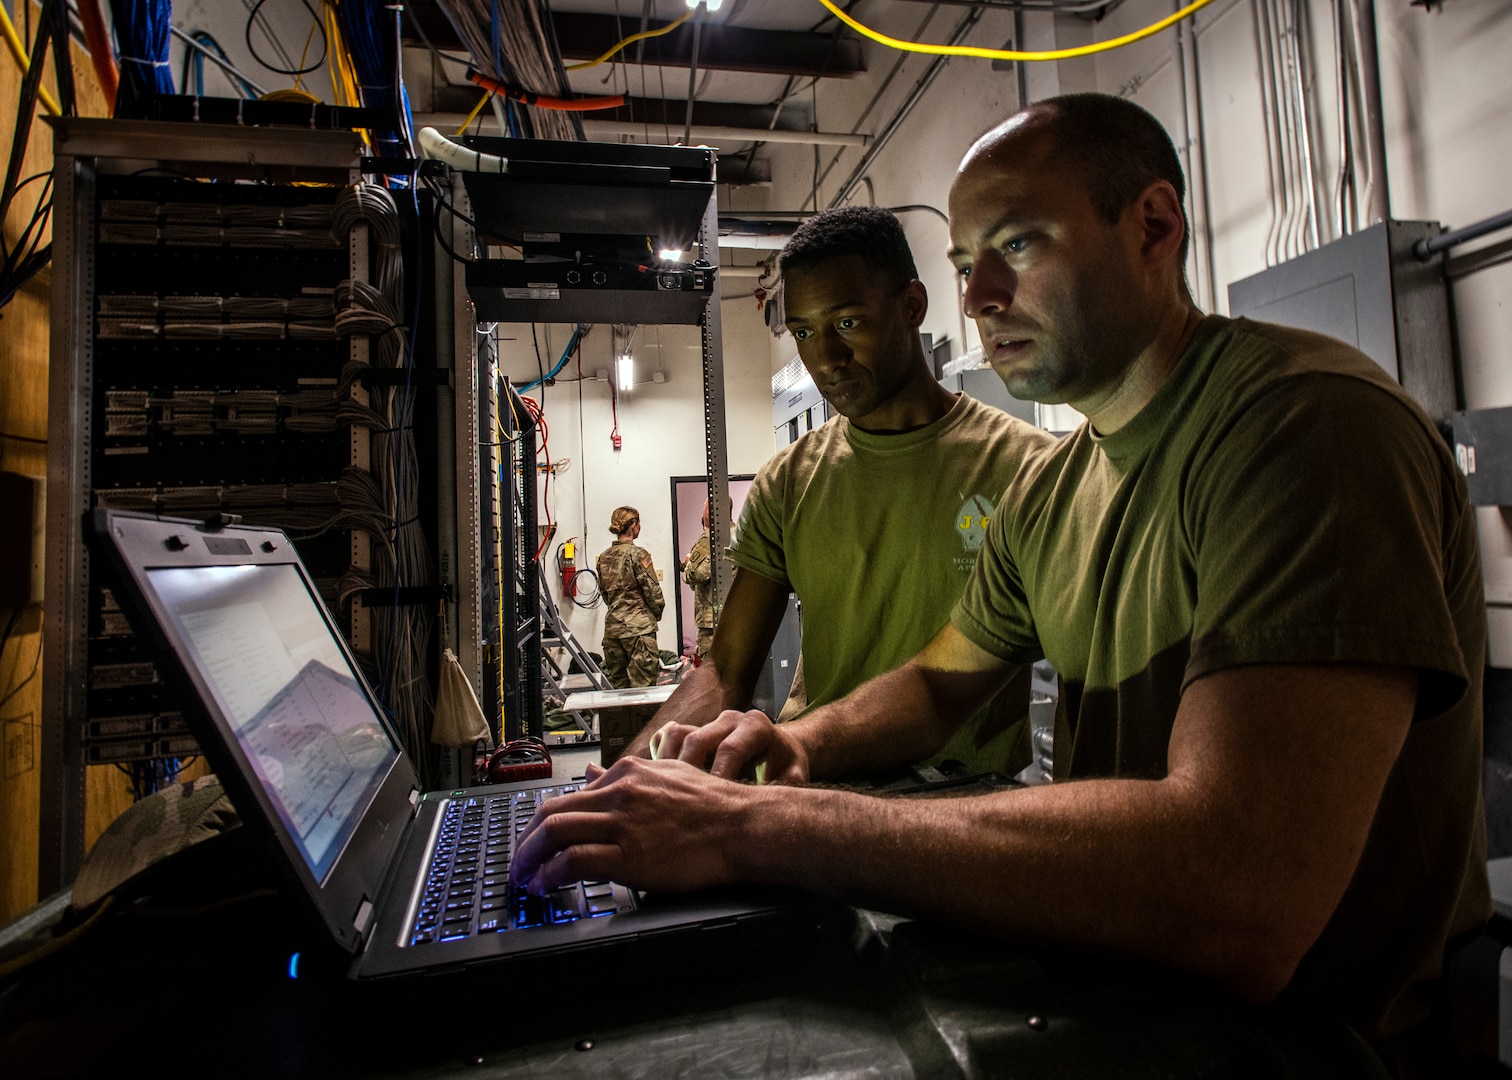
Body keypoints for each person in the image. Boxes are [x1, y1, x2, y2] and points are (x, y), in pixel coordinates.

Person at [513, 94, 1489, 1067]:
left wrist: (760, 826)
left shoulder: (1303, 429)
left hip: (1333, 1043)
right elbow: (939, 684)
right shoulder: (1054, 486)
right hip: (1144, 1003)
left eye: (1017, 247)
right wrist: (794, 742)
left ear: (1151, 226)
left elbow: (1242, 887)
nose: (977, 296)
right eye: (964, 261)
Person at [631, 205, 1055, 777]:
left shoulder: (1025, 469)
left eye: (848, 323)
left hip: (964, 801)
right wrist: (631, 773)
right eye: (804, 332)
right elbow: (727, 668)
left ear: (912, 306)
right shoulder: (790, 480)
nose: (825, 359)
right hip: (816, 783)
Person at [595, 506, 665, 688]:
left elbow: (604, 592)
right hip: (638, 631)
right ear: (632, 524)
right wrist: (656, 612)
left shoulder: (603, 557)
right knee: (643, 689)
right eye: (638, 522)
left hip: (612, 631)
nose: (639, 527)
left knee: (618, 690)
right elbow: (652, 589)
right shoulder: (639, 554)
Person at [681, 502, 715, 661]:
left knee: (709, 670)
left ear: (708, 512)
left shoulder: (709, 538)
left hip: (710, 620)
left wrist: (688, 564)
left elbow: (697, 575)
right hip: (736, 616)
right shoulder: (739, 533)